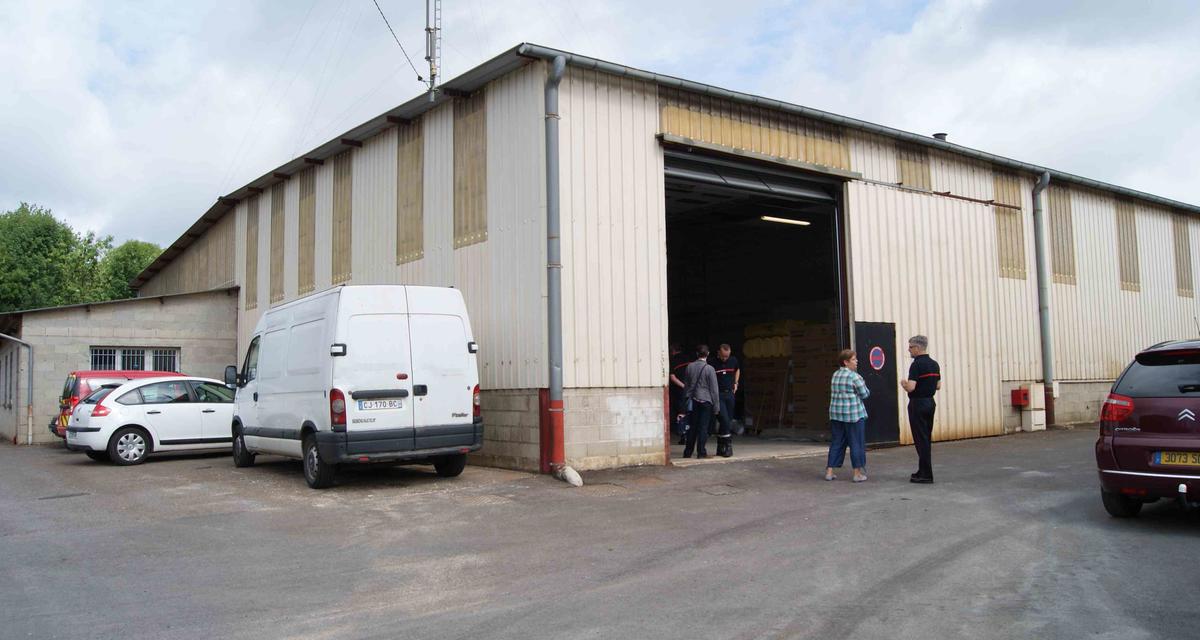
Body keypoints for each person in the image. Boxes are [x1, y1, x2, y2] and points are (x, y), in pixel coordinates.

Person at [825, 349, 870, 482]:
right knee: (856, 443)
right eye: (853, 359)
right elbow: (865, 394)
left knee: (837, 442)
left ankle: (829, 471)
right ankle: (857, 474)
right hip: (853, 415)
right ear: (846, 362)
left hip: (836, 414)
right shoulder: (854, 376)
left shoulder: (835, 375)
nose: (856, 361)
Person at [901, 335, 941, 484]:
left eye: (911, 347)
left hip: (917, 403)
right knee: (926, 438)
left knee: (920, 440)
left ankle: (926, 474)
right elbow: (938, 386)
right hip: (930, 403)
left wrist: (904, 384)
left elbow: (911, 387)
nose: (909, 349)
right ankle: (922, 470)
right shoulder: (934, 364)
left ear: (918, 348)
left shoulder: (916, 365)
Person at [682, 344, 720, 459]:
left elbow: (686, 386)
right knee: (703, 428)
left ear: (696, 354)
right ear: (707, 354)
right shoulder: (710, 369)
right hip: (706, 401)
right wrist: (716, 407)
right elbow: (714, 390)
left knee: (692, 427)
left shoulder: (689, 367)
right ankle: (701, 452)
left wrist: (685, 401)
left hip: (693, 400)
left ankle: (688, 452)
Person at [711, 344, 740, 458]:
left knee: (728, 419)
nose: (725, 359)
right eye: (723, 356)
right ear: (719, 352)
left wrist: (736, 383)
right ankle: (728, 446)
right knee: (724, 419)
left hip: (730, 394)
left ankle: (720, 446)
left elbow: (737, 370)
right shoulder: (712, 363)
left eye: (727, 356)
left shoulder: (733, 360)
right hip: (718, 395)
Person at [669, 344, 691, 445]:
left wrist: (683, 386)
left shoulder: (672, 361)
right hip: (692, 390)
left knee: (681, 413)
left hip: (679, 391)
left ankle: (683, 436)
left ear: (673, 351)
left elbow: (672, 378)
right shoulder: (689, 358)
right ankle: (690, 436)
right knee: (690, 412)